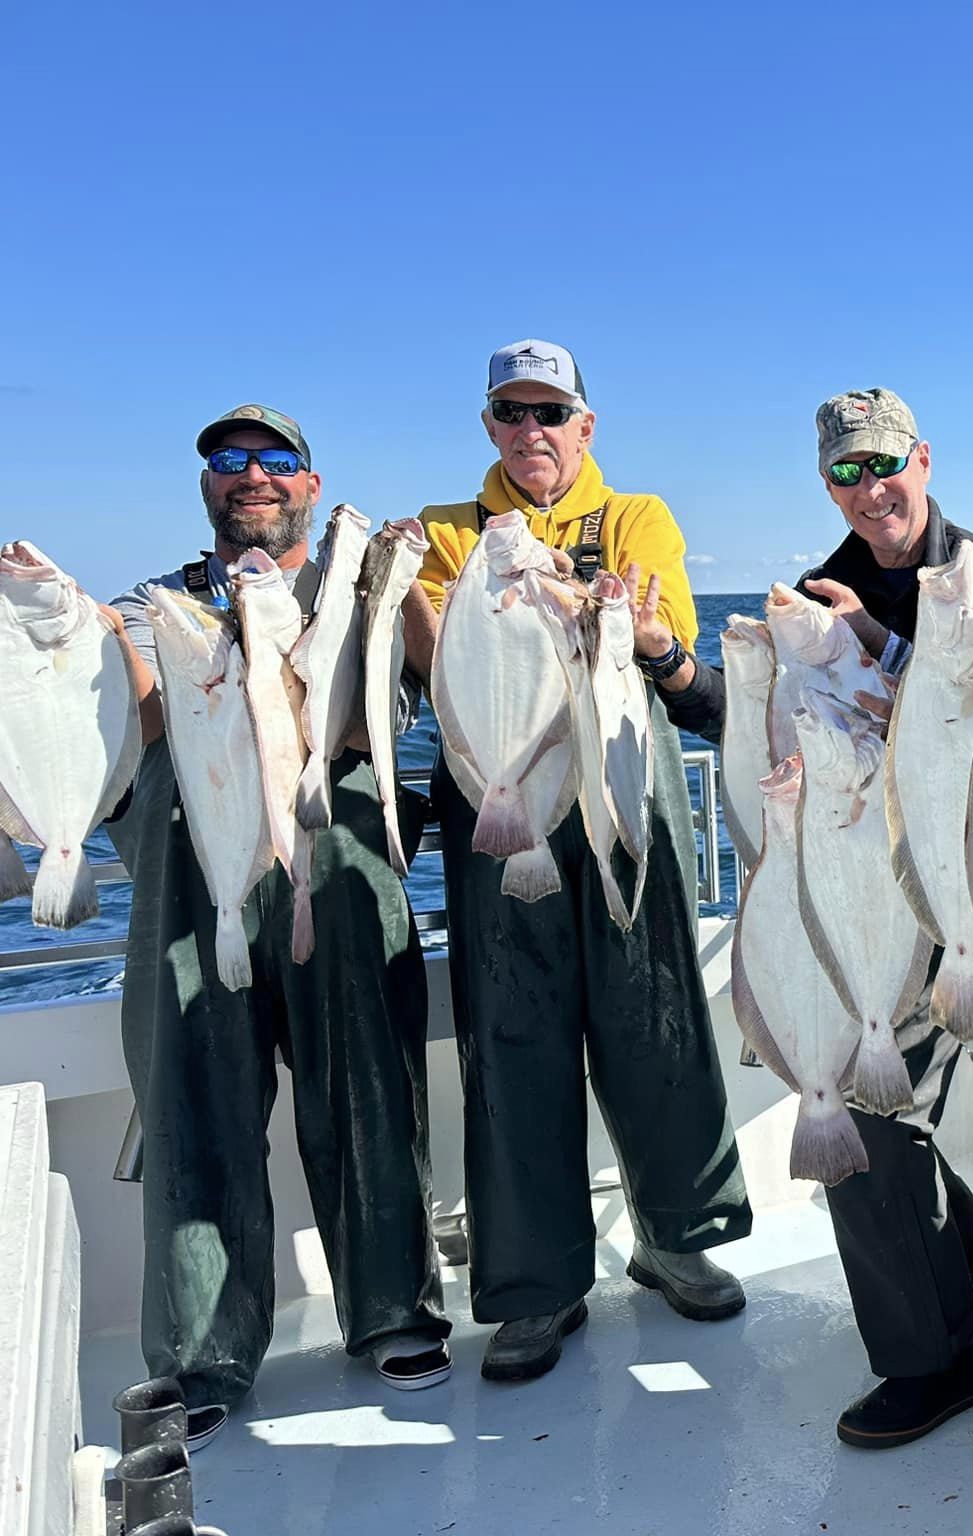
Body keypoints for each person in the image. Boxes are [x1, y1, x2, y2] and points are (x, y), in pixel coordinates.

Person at [106, 404, 450, 1449]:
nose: (250, 475)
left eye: (274, 461)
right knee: (194, 1113)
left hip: (333, 861)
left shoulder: (354, 597)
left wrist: (373, 604)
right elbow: (138, 720)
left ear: (309, 485)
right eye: (228, 461)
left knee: (368, 1093)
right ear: (206, 487)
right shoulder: (150, 605)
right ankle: (202, 1354)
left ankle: (392, 1307)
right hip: (196, 878)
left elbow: (366, 720)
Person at [410, 340, 751, 1383]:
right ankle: (531, 1286)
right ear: (488, 427)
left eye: (549, 412)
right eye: (510, 412)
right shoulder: (442, 535)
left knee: (654, 1018)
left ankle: (675, 1235)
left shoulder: (636, 520)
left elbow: (673, 638)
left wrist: (612, 618)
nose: (531, 431)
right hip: (504, 800)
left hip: (613, 790)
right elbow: (427, 661)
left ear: (584, 426)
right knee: (513, 1042)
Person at [795, 387, 973, 1449]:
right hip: (877, 876)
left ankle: (930, 1361)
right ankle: (956, 1273)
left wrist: (879, 646)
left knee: (862, 1090)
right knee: (875, 1076)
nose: (867, 489)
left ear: (922, 459)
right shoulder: (820, 585)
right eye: (843, 472)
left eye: (881, 463)